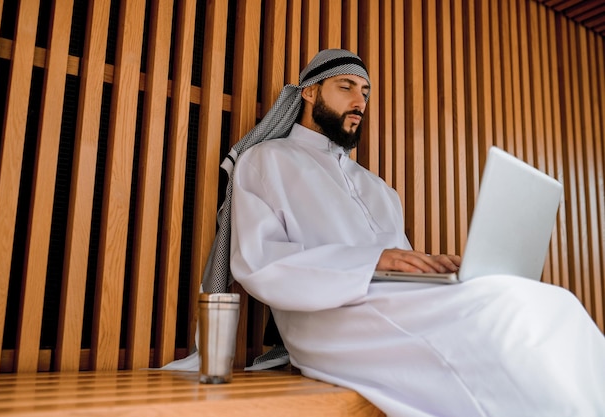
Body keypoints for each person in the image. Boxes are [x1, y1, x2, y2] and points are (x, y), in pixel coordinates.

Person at [224, 49, 605, 416]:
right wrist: (373, 260)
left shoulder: (378, 188)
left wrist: (435, 267)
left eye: (366, 92)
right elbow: (259, 262)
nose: (360, 101)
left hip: (398, 303)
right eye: (346, 87)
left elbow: (400, 264)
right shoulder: (266, 160)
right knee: (504, 311)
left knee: (551, 301)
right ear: (309, 92)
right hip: (329, 318)